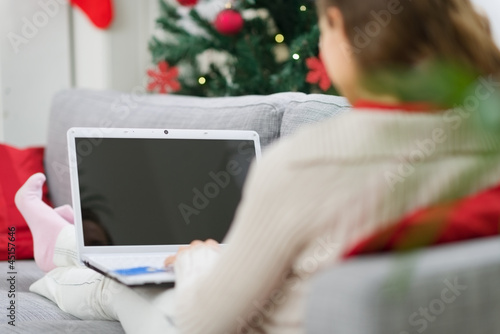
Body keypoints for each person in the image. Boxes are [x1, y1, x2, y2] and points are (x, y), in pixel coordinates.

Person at [15, 0, 500, 333]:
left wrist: (198, 262)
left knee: (122, 288)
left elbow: (203, 323)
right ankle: (65, 244)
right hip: (281, 292)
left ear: (349, 36)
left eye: (326, 26)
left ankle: (63, 250)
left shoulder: (314, 159)